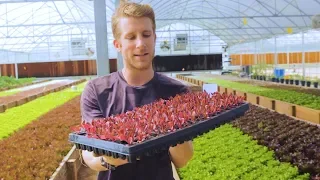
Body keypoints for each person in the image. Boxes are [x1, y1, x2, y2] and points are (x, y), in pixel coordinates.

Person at [80, 1, 194, 180]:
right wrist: (110, 159)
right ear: (117, 44)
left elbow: (182, 159)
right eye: (131, 37)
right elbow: (88, 155)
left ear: (154, 38)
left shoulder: (176, 92)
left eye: (146, 34)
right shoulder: (97, 91)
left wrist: (171, 127)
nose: (141, 44)